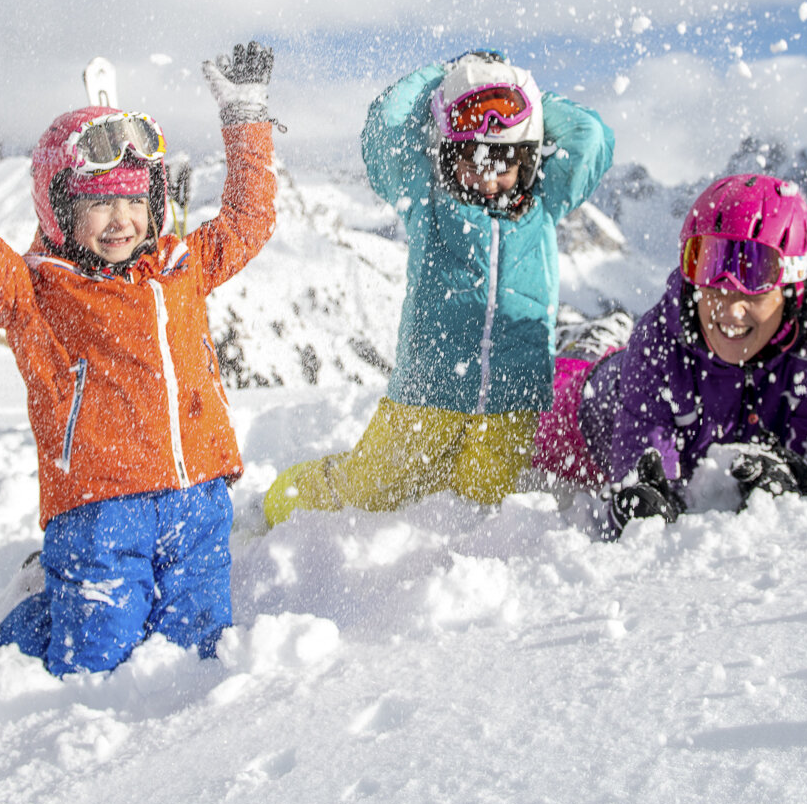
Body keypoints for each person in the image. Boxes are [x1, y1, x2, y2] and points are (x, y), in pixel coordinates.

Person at [0, 27, 277, 675]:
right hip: (100, 510)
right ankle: (30, 620)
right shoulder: (36, 295)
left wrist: (245, 119)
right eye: (98, 203)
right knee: (96, 653)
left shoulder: (181, 268)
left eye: (135, 199)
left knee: (201, 647)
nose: (121, 219)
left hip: (199, 497)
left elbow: (250, 220)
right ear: (58, 209)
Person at [263, 50, 613, 525]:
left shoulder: (543, 205)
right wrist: (446, 78)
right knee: (369, 488)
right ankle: (292, 495)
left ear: (529, 158)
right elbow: (386, 126)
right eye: (472, 159)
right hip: (427, 397)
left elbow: (592, 138)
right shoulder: (427, 200)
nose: (487, 176)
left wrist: (520, 91)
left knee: (480, 509)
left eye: (503, 159)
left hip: (512, 406)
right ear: (448, 154)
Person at [552, 174, 807, 534]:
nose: (731, 309)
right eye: (711, 276)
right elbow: (640, 468)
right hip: (589, 412)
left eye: (755, 287)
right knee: (534, 409)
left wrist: (789, 476)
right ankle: (590, 340)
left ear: (792, 288)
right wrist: (645, 499)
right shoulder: (660, 343)